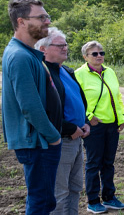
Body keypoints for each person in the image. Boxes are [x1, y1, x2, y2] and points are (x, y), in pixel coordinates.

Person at [3, 0, 61, 215]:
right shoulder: (19, 56)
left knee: (43, 200)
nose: (47, 21)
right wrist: (53, 136)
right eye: (41, 17)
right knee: (41, 202)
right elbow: (29, 106)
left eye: (47, 17)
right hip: (38, 141)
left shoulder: (27, 53)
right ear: (22, 21)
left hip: (41, 141)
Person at [37, 27, 90, 214]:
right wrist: (68, 128)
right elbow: (44, 111)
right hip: (60, 140)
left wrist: (85, 122)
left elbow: (79, 100)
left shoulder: (67, 70)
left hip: (76, 139)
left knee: (75, 188)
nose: (65, 48)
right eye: (60, 45)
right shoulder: (42, 73)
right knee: (59, 193)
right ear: (43, 48)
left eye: (66, 44)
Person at [76, 41, 124, 212]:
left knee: (109, 163)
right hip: (94, 126)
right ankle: (93, 201)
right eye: (94, 54)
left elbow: (117, 96)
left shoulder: (110, 72)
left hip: (112, 125)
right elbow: (76, 100)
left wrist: (121, 117)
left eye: (101, 53)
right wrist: (88, 117)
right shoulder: (79, 74)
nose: (99, 56)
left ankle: (109, 197)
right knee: (93, 163)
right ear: (85, 57)